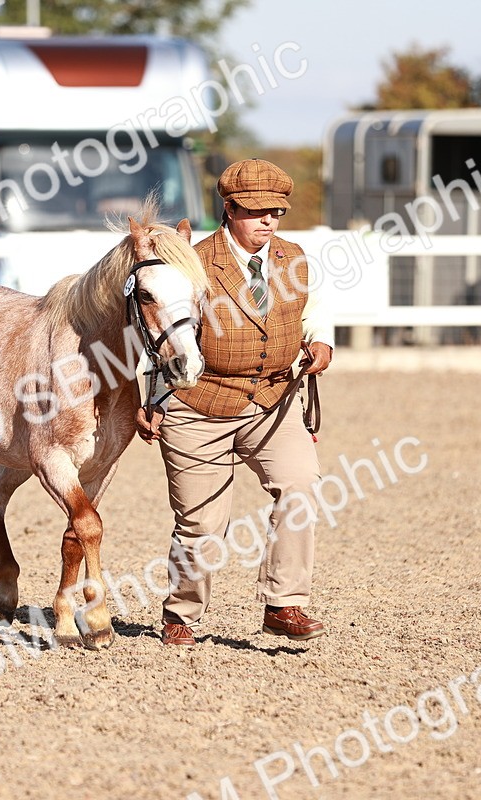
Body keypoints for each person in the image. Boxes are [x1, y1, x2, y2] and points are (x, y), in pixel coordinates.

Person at [136, 158, 334, 646]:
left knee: (300, 486)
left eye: (277, 211)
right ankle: (182, 613)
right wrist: (152, 398)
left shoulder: (294, 258)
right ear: (228, 208)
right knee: (203, 521)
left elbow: (312, 313)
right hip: (198, 402)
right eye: (256, 211)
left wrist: (320, 342)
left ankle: (285, 604)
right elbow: (162, 330)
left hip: (274, 398)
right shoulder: (193, 262)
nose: (268, 220)